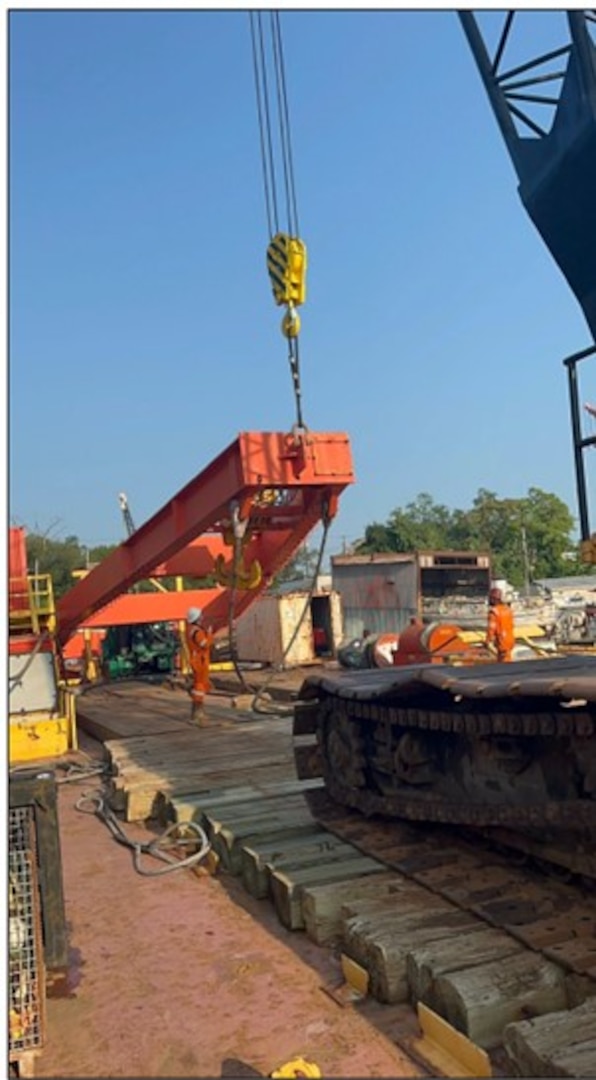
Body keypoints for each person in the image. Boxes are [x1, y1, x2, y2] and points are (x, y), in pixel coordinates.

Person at [185, 607, 214, 725]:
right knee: (199, 688)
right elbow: (205, 644)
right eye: (200, 616)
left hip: (197, 660)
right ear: (196, 618)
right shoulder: (197, 632)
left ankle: (197, 713)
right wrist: (210, 635)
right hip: (200, 661)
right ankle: (197, 714)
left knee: (200, 687)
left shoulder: (191, 630)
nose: (202, 618)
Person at [486, 586, 515, 662]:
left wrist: (488, 641)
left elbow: (491, 628)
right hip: (510, 639)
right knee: (507, 658)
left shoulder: (494, 612)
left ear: (493, 599)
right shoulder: (508, 609)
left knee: (504, 663)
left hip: (501, 641)